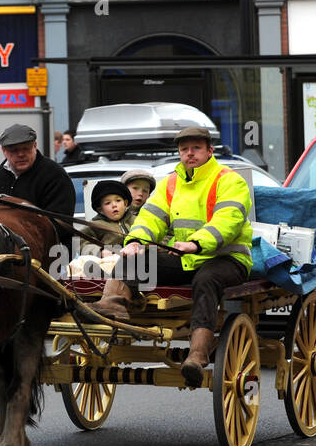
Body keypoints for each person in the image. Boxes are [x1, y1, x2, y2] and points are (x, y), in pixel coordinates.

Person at [94, 126, 253, 388]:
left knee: (206, 280)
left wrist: (196, 243)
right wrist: (135, 241)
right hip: (184, 256)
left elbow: (229, 220)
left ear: (209, 151)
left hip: (226, 258)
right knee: (133, 259)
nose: (189, 154)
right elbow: (150, 217)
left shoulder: (229, 180)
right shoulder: (170, 182)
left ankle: (197, 356)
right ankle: (113, 308)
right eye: (184, 149)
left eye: (196, 148)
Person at [0, 122, 76, 244]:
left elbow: (61, 223)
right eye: (14, 150)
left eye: (26, 148)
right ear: (3, 150)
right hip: (2, 255)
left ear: (35, 146)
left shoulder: (55, 175)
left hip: (52, 254)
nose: (21, 154)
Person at [88, 179, 131, 247]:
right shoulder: (94, 225)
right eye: (107, 203)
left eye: (118, 200)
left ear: (125, 203)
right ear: (100, 209)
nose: (114, 205)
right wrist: (100, 251)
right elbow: (82, 242)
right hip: (111, 256)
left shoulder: (136, 220)